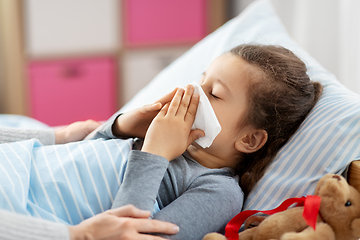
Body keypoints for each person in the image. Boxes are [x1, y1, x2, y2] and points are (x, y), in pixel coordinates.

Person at [87, 44, 323, 239]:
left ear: (249, 139)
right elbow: (79, 154)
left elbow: (127, 235)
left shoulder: (220, 192)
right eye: (200, 82)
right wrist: (122, 127)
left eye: (215, 93)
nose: (194, 92)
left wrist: (154, 154)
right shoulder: (156, 134)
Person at [0, 121, 180, 240]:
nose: (194, 93)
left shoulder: (206, 184)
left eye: (209, 92)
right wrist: (79, 235)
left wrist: (59, 136)